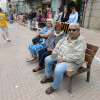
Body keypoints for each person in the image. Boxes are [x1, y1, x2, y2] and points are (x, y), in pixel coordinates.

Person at [40, 23, 86, 95]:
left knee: (58, 69)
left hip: (71, 61)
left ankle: (54, 87)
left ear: (78, 30)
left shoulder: (81, 40)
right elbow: (58, 45)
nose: (71, 31)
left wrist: (63, 59)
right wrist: (55, 52)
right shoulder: (67, 37)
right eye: (70, 30)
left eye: (73, 30)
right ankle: (49, 77)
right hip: (60, 55)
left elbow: (77, 56)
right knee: (47, 59)